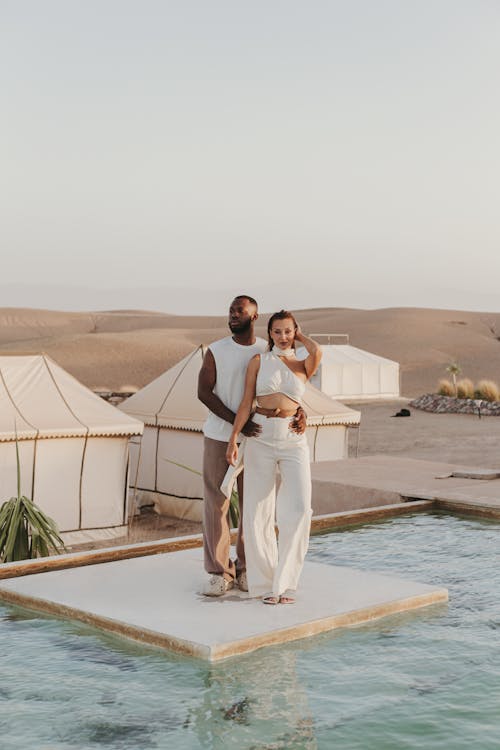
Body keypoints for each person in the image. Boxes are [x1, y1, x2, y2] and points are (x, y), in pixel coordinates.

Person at [198, 296, 307, 597]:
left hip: (260, 439)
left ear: (255, 316)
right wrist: (237, 424)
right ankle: (220, 572)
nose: (233, 315)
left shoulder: (266, 350)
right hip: (221, 437)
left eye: (239, 311)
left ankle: (248, 568)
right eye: (231, 311)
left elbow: (289, 387)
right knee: (216, 502)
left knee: (256, 505)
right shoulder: (216, 351)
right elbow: (204, 393)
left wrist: (300, 411)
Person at [226, 310, 322, 604]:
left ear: (295, 332)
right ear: (269, 334)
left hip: (293, 437)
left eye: (288, 331)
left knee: (300, 507)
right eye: (277, 332)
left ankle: (286, 582)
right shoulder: (259, 362)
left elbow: (317, 351)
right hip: (261, 437)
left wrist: (301, 336)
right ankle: (266, 585)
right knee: (257, 512)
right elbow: (246, 402)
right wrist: (233, 439)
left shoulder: (304, 363)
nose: (283, 336)